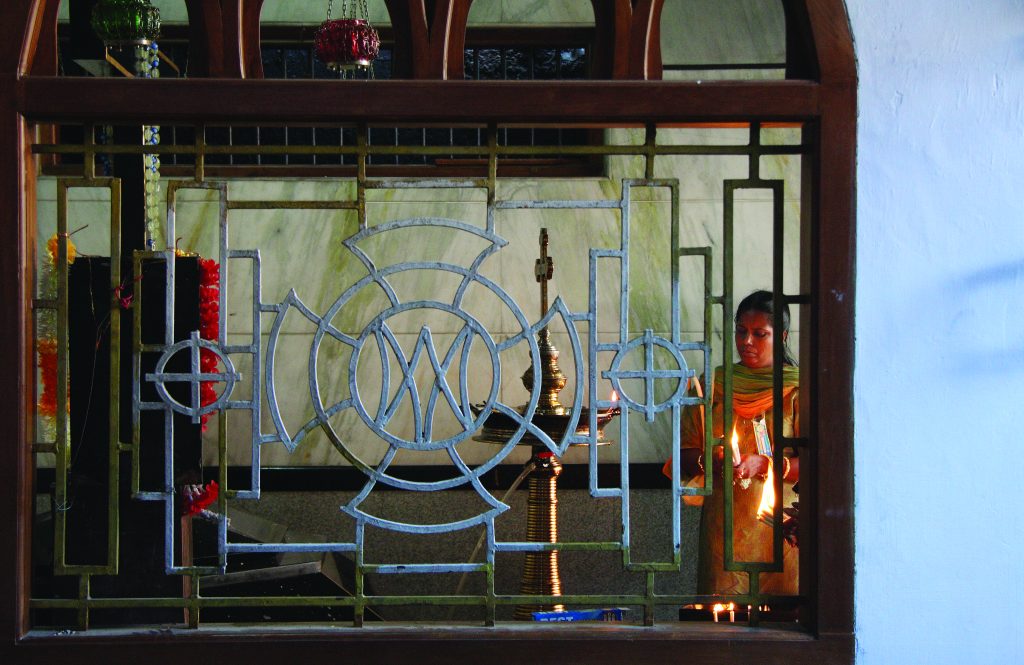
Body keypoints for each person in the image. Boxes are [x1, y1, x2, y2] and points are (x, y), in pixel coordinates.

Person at [668, 290, 799, 596]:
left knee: (783, 625)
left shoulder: (796, 390)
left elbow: (819, 464)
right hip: (724, 530)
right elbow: (683, 455)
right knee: (723, 625)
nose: (747, 342)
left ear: (781, 336)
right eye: (741, 332)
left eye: (759, 334)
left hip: (782, 530)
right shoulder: (713, 386)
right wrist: (711, 461)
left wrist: (766, 464)